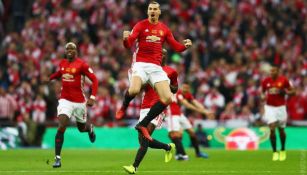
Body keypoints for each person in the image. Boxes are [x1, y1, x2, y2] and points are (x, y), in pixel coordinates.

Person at [117, 1, 192, 141]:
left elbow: (176, 47)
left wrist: (185, 46)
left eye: (155, 9)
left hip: (156, 67)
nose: (152, 11)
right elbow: (129, 45)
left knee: (168, 98)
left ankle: (143, 123)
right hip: (141, 64)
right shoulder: (140, 25)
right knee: (133, 91)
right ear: (148, 12)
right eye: (150, 9)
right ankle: (123, 106)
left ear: (159, 12)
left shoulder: (164, 29)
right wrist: (125, 39)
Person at [122, 49, 176, 174]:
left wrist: (167, 85)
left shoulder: (171, 72)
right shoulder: (147, 69)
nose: (161, 56)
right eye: (159, 53)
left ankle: (134, 167)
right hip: (145, 106)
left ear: (166, 57)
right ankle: (167, 147)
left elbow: (175, 88)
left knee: (145, 139)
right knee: (143, 140)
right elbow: (140, 87)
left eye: (163, 54)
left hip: (158, 107)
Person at [49, 42, 98, 168]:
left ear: (76, 51)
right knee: (61, 126)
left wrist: (92, 97)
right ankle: (57, 158)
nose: (69, 50)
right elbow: (60, 73)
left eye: (72, 48)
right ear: (65, 51)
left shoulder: (82, 64)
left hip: (80, 102)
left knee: (81, 128)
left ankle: (90, 129)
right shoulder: (62, 63)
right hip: (65, 100)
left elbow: (95, 79)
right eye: (67, 48)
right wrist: (50, 78)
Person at [165, 82, 214, 160]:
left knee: (192, 133)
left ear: (189, 88)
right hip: (172, 114)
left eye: (187, 88)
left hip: (179, 114)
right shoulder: (178, 93)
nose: (185, 89)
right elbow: (187, 104)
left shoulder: (188, 94)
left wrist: (206, 110)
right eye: (184, 87)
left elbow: (196, 103)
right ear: (181, 87)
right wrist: (204, 112)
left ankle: (198, 153)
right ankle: (180, 154)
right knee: (176, 135)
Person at [261, 64, 295, 161]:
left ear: (278, 71)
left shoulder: (284, 80)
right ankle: (275, 152)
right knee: (272, 128)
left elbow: (293, 92)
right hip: (269, 107)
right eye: (271, 71)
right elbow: (262, 92)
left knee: (281, 130)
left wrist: (285, 92)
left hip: (281, 107)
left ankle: (283, 149)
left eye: (274, 71)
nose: (272, 73)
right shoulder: (265, 81)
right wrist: (262, 97)